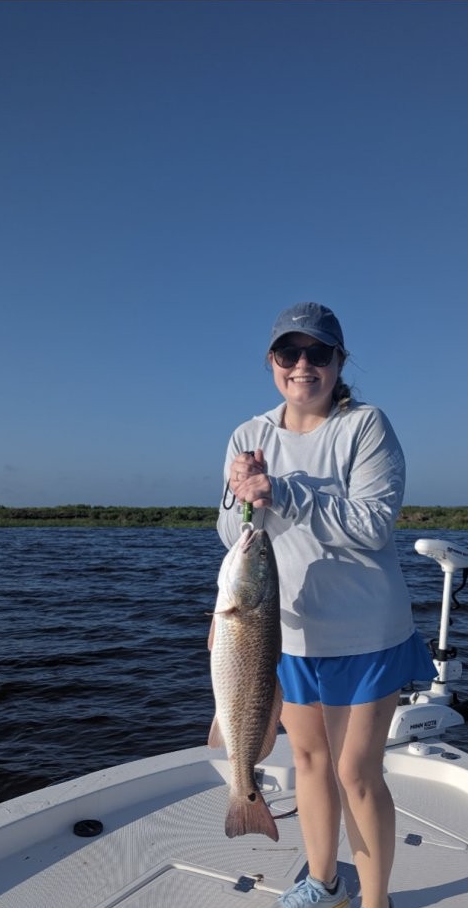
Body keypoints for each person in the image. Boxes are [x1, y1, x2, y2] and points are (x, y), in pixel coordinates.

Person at [216, 302, 436, 908]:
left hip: (365, 632)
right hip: (279, 631)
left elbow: (372, 525)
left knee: (356, 774)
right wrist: (244, 500)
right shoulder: (248, 435)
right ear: (272, 362)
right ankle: (325, 880)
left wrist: (280, 491)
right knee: (309, 762)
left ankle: (374, 900)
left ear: (340, 362)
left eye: (319, 353)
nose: (303, 365)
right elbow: (229, 532)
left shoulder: (365, 427)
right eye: (290, 353)